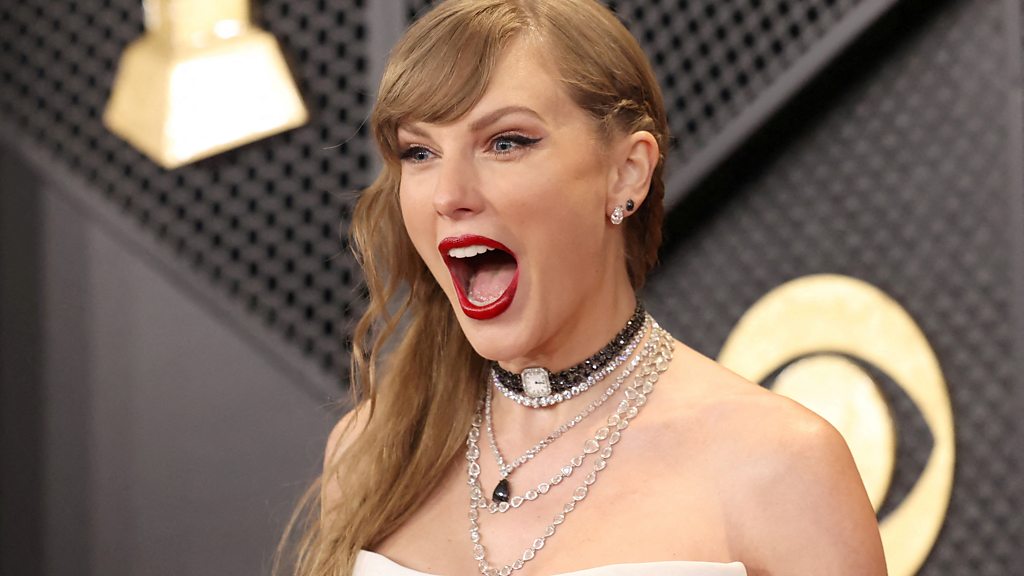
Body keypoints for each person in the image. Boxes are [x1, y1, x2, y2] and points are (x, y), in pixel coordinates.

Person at [278, 1, 887, 575]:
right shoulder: (370, 450)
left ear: (627, 172)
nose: (448, 194)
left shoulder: (780, 466)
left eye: (506, 143)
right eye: (419, 152)